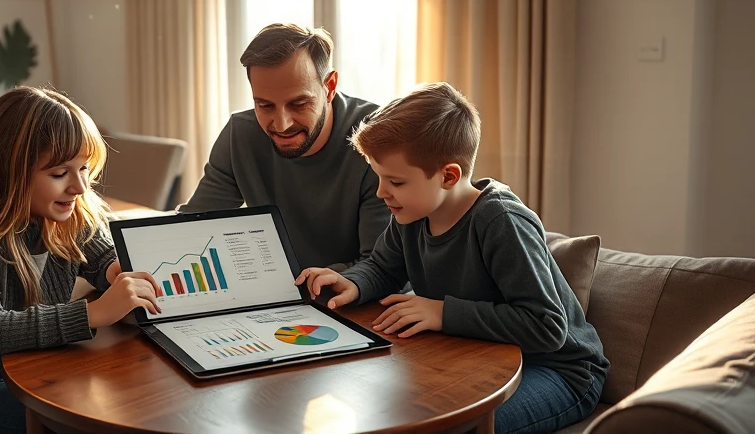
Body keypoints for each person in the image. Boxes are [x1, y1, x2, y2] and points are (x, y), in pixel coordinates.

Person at [295, 82, 608, 434]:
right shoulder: (411, 215)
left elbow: (546, 326)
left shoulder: (501, 222)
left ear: (448, 176)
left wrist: (442, 312)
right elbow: (383, 267)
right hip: (482, 358)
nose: (382, 192)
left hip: (559, 371)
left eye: (395, 182)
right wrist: (352, 282)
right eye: (379, 178)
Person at [0, 87, 162, 434]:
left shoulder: (67, 213)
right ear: (8, 170)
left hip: (32, 373)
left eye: (84, 169)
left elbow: (102, 258)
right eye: (59, 174)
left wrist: (119, 273)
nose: (80, 187)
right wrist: (95, 312)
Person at [179, 23, 390, 271]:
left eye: (299, 103)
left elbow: (383, 267)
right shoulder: (241, 134)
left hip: (354, 301)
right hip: (281, 294)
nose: (281, 124)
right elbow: (191, 228)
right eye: (265, 106)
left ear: (329, 87)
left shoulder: (377, 137)